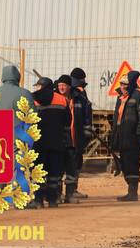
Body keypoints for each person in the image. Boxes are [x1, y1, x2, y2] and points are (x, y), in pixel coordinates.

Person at [110, 71, 140, 202]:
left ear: (131, 84)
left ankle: (133, 192)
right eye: (121, 84)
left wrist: (139, 135)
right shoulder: (120, 98)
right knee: (125, 163)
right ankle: (130, 190)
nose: (123, 86)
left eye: (125, 84)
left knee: (132, 163)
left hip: (133, 137)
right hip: (121, 136)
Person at [30, 77, 70, 208]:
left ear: (42, 87)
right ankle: (53, 200)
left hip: (38, 143)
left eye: (38, 86)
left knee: (38, 172)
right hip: (56, 142)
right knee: (54, 173)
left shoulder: (33, 100)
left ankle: (38, 200)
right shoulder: (62, 100)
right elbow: (67, 122)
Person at [66, 67, 94, 202]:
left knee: (76, 162)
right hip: (70, 136)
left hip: (75, 136)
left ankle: (72, 190)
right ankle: (67, 192)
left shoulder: (81, 95)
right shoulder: (73, 95)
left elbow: (86, 116)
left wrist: (87, 133)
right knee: (69, 164)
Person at [53, 74, 77, 204]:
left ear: (69, 86)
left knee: (71, 169)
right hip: (60, 139)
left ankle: (70, 194)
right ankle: (57, 195)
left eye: (64, 85)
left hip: (74, 138)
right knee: (58, 169)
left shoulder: (77, 98)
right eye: (60, 85)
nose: (61, 87)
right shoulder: (55, 99)